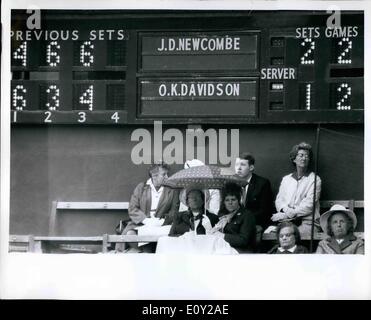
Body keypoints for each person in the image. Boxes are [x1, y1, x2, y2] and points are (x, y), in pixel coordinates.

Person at [120, 162, 180, 253]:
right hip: (141, 225)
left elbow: (174, 211)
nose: (167, 177)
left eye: (167, 174)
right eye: (164, 174)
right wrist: (146, 220)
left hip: (162, 226)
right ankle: (148, 252)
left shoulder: (172, 190)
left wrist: (162, 221)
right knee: (130, 234)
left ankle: (147, 253)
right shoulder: (141, 187)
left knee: (170, 237)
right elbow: (132, 208)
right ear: (154, 175)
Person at [272, 142, 321, 235]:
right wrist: (286, 211)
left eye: (307, 156)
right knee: (278, 234)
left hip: (308, 222)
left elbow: (309, 205)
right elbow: (279, 201)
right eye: (301, 155)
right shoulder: (286, 179)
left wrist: (290, 213)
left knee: (292, 235)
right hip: (286, 220)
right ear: (294, 159)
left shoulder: (315, 179)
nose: (304, 158)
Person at [210, 183, 256, 253]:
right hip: (223, 249)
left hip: (241, 251)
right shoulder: (222, 215)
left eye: (233, 199)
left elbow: (243, 240)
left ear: (238, 200)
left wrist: (222, 236)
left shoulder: (246, 215)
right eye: (227, 200)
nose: (230, 203)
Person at [235, 153, 273, 230]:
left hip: (254, 222)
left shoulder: (262, 183)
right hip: (234, 223)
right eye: (236, 164)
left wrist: (243, 219)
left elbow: (264, 211)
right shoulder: (230, 183)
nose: (238, 168)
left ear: (251, 167)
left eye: (242, 165)